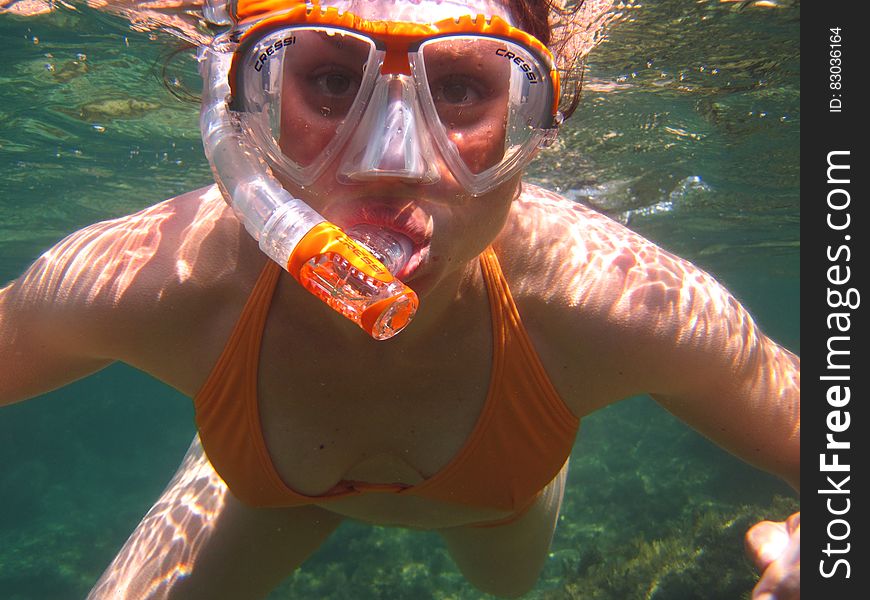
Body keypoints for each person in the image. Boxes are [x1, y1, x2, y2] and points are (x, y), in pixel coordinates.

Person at [0, 0, 799, 598]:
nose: (391, 161)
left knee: (503, 590)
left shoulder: (615, 304)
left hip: (494, 508)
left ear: (538, 124)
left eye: (458, 88)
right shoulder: (157, 280)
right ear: (240, 110)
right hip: (268, 491)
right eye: (332, 79)